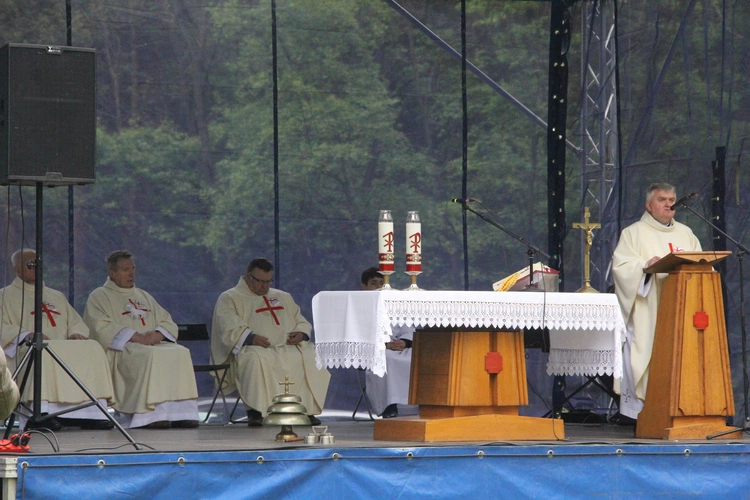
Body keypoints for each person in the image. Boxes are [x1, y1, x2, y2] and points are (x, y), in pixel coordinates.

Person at [612, 183, 702, 420]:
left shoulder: (686, 233)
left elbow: (702, 265)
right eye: (662, 199)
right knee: (644, 352)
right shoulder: (634, 233)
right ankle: (644, 416)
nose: (668, 203)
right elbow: (621, 268)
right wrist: (645, 266)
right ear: (649, 205)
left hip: (680, 309)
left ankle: (680, 412)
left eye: (672, 199)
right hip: (648, 309)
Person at [0, 249, 115, 430]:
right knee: (41, 351)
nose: (36, 268)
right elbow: (2, 326)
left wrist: (75, 332)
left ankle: (90, 413)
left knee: (92, 347)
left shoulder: (56, 296)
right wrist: (25, 334)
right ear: (18, 270)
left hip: (61, 345)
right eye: (31, 265)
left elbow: (75, 321)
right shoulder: (4, 296)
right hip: (28, 348)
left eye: (39, 265)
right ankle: (40, 412)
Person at [83, 250, 199, 429]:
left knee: (181, 352)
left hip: (151, 343)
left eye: (133, 268)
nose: (131, 273)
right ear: (112, 273)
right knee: (150, 355)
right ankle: (149, 415)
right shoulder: (99, 296)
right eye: (125, 269)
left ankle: (181, 413)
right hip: (123, 348)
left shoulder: (143, 295)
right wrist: (135, 336)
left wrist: (157, 335)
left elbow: (166, 320)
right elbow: (100, 326)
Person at [211, 258, 330, 427]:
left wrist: (301, 334)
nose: (265, 287)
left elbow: (300, 320)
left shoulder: (282, 297)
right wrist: (251, 338)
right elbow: (227, 326)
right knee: (253, 358)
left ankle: (303, 409)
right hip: (256, 348)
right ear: (248, 277)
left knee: (312, 355)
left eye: (268, 282)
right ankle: (256, 411)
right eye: (261, 282)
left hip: (288, 347)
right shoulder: (230, 297)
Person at [361, 267, 416, 418]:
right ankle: (389, 405)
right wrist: (383, 345)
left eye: (381, 283)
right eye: (374, 283)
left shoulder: (395, 304)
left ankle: (420, 403)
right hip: (376, 349)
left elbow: (408, 327)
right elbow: (358, 332)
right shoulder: (358, 306)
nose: (378, 287)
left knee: (419, 357)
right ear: (364, 287)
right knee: (387, 359)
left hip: (399, 346)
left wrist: (405, 342)